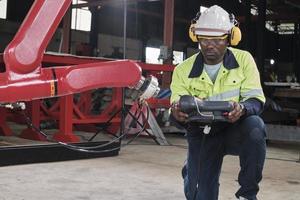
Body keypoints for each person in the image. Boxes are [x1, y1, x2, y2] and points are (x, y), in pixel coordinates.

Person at [170, 5, 266, 200]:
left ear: (231, 37)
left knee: (255, 126)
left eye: (217, 39)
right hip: (202, 134)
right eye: (204, 39)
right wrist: (177, 114)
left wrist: (242, 109)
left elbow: (256, 101)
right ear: (196, 37)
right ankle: (192, 169)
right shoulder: (182, 70)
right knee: (199, 195)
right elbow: (176, 107)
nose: (210, 45)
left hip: (234, 129)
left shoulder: (244, 60)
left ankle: (247, 195)